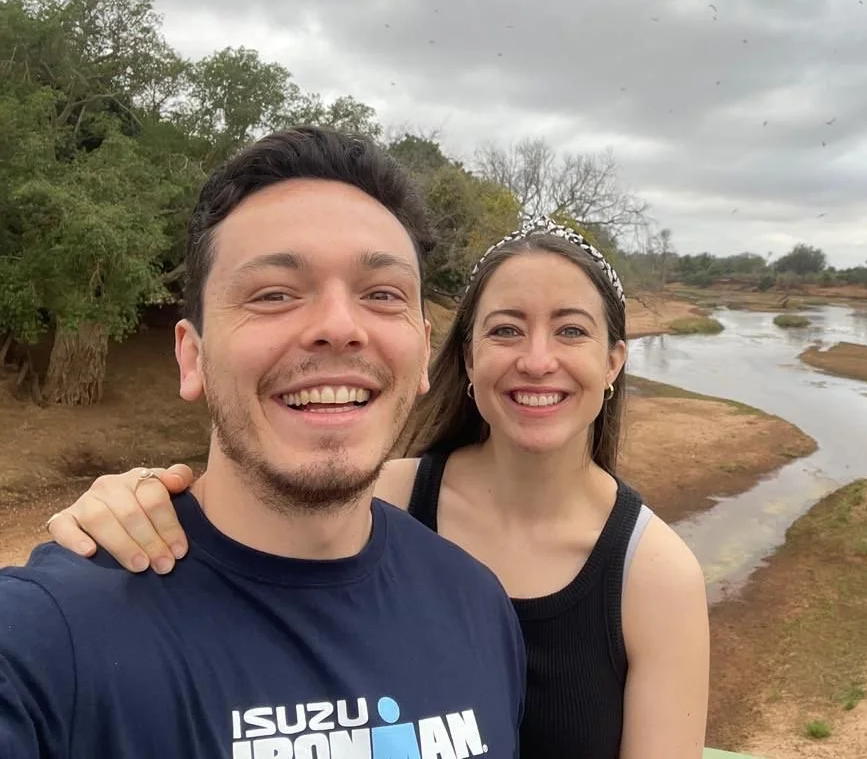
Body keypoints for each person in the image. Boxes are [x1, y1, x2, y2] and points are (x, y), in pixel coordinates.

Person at [46, 215, 711, 758]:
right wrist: (140, 499)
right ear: (468, 358)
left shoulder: (653, 576)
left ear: (613, 362)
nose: (537, 359)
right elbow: (250, 513)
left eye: (571, 330)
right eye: (506, 329)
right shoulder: (381, 500)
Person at [2, 126, 526, 758]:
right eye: (274, 294)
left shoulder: (476, 605)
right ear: (191, 357)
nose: (339, 327)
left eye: (381, 295)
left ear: (421, 354)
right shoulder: (46, 639)